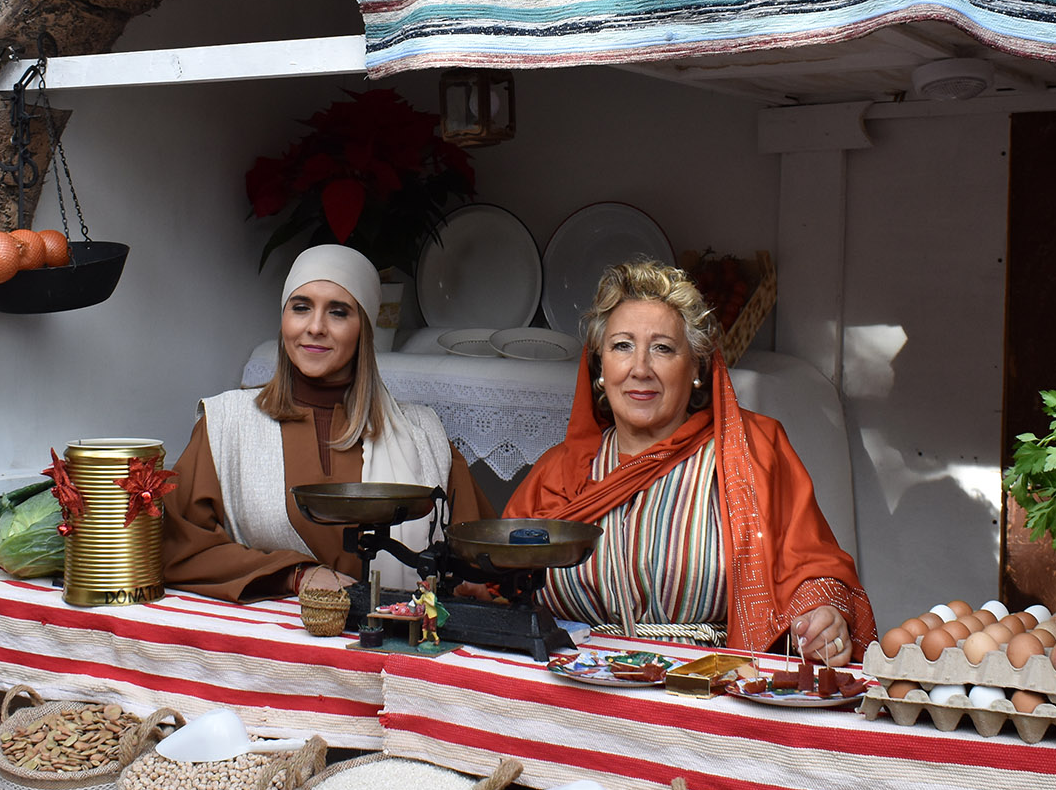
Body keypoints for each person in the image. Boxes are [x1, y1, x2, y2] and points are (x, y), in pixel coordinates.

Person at [506, 260, 877, 662]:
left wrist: (823, 617)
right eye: (622, 346)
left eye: (663, 348)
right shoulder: (557, 474)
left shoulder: (753, 452)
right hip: (573, 699)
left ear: (697, 366)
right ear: (599, 365)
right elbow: (500, 580)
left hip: (702, 696)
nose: (640, 369)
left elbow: (811, 567)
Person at [162, 244, 489, 599]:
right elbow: (181, 547)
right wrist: (293, 575)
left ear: (363, 328)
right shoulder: (226, 426)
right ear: (283, 318)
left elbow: (479, 553)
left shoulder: (423, 435)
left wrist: (472, 581)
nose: (315, 327)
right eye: (301, 308)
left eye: (338, 312)